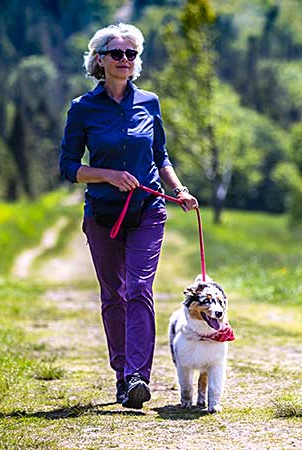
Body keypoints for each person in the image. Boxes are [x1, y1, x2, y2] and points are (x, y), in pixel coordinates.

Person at [59, 23, 198, 409]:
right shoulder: (82, 109)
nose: (125, 60)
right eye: (117, 53)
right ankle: (122, 375)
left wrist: (179, 190)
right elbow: (69, 167)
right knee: (113, 296)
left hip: (147, 210)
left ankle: (138, 377)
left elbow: (160, 156)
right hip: (103, 212)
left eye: (131, 54)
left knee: (139, 289)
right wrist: (107, 174)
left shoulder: (150, 102)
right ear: (99, 59)